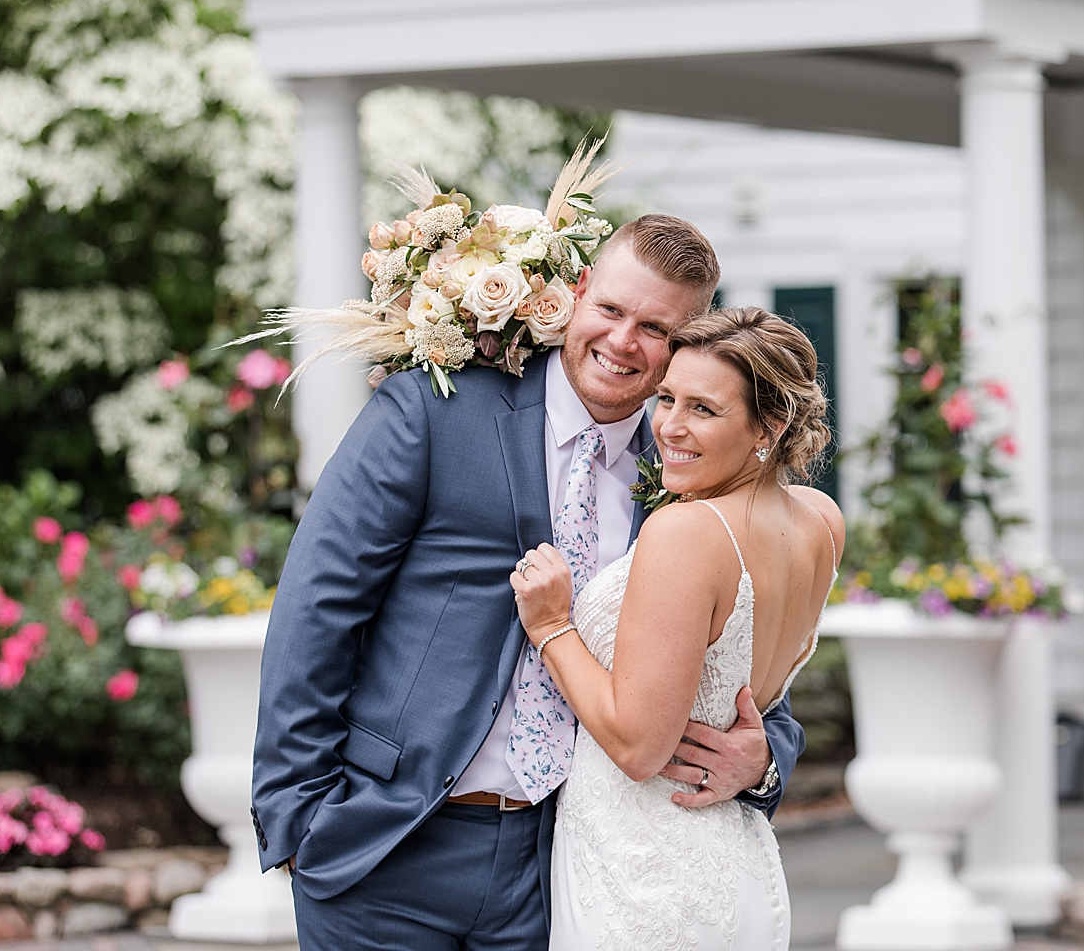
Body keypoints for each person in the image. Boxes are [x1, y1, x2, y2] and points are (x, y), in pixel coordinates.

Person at [251, 216, 806, 950]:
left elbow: (737, 651)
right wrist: (295, 817)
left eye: (656, 329)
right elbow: (317, 610)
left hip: (557, 868)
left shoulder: (683, 475)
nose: (622, 342)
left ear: (685, 345)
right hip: (387, 846)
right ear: (576, 294)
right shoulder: (431, 412)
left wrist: (768, 756)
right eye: (610, 310)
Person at [510, 307, 844, 951]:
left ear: (767, 427)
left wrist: (552, 626)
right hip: (737, 864)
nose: (669, 427)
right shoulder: (821, 521)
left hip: (641, 874)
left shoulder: (686, 531)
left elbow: (639, 749)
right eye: (666, 399)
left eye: (703, 409)